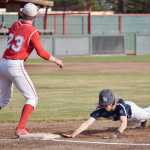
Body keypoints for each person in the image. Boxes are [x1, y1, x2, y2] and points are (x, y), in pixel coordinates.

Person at [0, 3, 63, 137]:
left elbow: (20, 18)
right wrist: (56, 60)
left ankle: (21, 128)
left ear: (22, 14)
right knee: (32, 98)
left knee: (4, 99)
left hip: (3, 63)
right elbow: (41, 52)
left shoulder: (15, 25)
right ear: (35, 16)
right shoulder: (33, 31)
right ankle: (20, 128)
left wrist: (22, 13)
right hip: (15, 65)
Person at [62, 89, 150, 138]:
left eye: (107, 104)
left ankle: (144, 118)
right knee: (134, 125)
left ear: (112, 102)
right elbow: (87, 123)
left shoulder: (120, 106)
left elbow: (124, 123)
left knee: (146, 115)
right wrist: (74, 134)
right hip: (127, 118)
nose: (105, 106)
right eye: (103, 104)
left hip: (133, 111)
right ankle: (143, 120)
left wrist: (114, 135)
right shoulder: (100, 109)